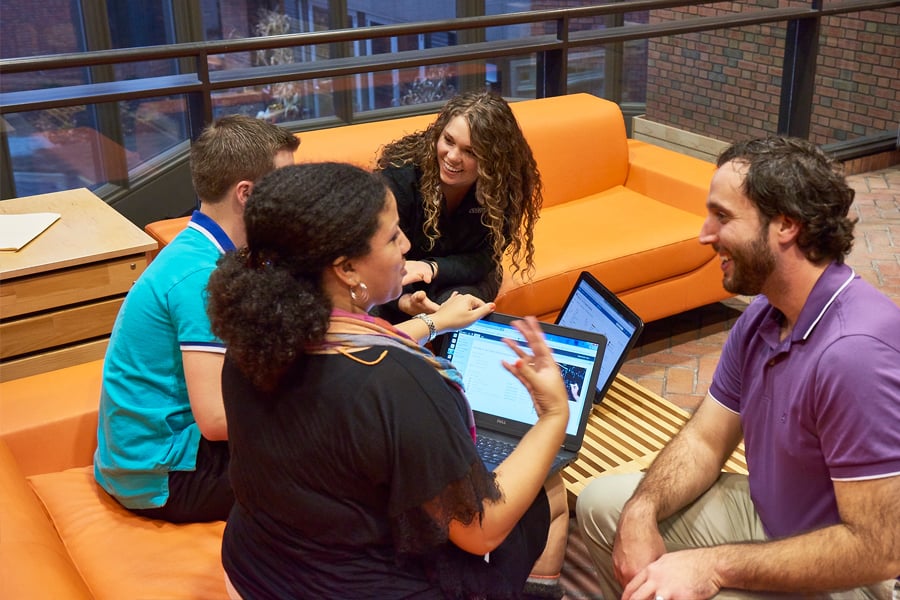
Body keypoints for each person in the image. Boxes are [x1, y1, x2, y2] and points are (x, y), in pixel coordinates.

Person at [206, 162, 571, 599]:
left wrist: (431, 325)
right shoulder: (399, 385)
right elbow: (480, 530)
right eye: (393, 236)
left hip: (256, 571)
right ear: (346, 268)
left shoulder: (254, 340)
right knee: (535, 503)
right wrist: (553, 415)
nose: (407, 245)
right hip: (354, 589)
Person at [576, 136, 900, 600]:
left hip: (852, 574)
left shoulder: (856, 354)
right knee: (604, 506)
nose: (705, 234)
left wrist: (713, 567)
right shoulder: (762, 316)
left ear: (786, 225)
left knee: (692, 588)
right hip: (770, 519)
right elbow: (706, 440)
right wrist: (641, 510)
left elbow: (878, 549)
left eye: (723, 217)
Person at [94, 115, 299, 523]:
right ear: (247, 193)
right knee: (337, 465)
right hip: (163, 475)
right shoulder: (201, 278)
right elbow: (217, 421)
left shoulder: (205, 251)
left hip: (159, 453)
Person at [372, 89, 543, 323]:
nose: (452, 157)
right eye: (448, 141)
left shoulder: (504, 186)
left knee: (465, 307)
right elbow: (374, 258)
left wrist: (432, 268)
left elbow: (485, 259)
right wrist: (403, 301)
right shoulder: (400, 178)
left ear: (494, 160)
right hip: (396, 278)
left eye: (470, 151)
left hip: (463, 275)